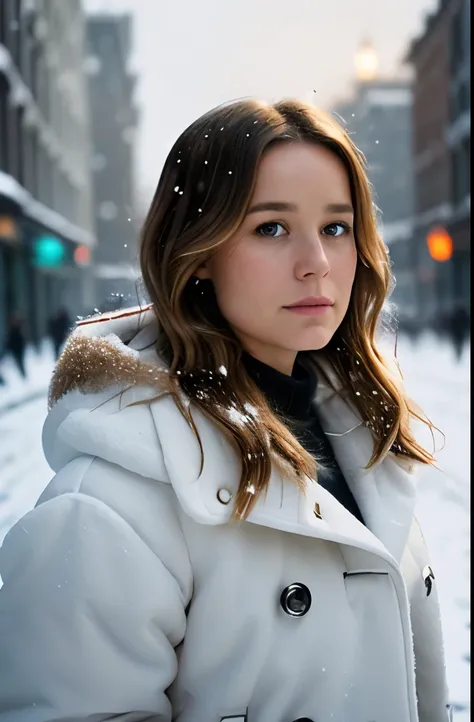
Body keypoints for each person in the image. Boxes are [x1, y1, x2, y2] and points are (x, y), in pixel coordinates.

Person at [0, 100, 452, 722]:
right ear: (199, 250)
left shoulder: (365, 446)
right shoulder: (107, 505)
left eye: (336, 228)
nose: (315, 263)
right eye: (271, 228)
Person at [3, 314, 27, 378]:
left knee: (20, 362)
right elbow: (10, 341)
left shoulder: (17, 329)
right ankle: (22, 375)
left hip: (19, 349)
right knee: (18, 363)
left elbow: (20, 340)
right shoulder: (12, 330)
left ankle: (23, 375)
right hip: (15, 350)